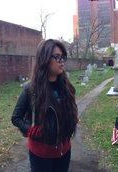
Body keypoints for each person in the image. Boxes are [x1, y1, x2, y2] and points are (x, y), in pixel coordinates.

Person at [11, 39, 78, 172]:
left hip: (64, 151)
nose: (61, 61)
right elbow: (16, 117)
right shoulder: (30, 89)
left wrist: (72, 118)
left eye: (63, 57)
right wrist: (29, 129)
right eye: (57, 57)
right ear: (45, 59)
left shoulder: (66, 86)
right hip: (41, 154)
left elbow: (70, 109)